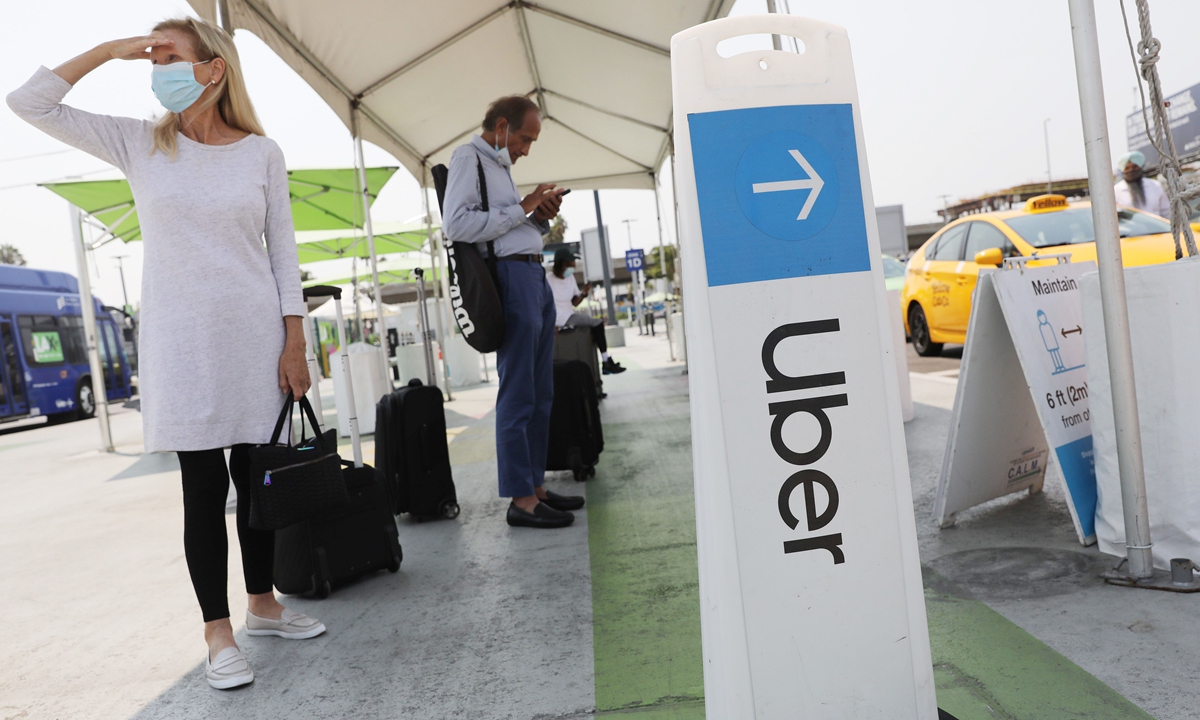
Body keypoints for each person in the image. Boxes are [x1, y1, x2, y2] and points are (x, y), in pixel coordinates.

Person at [8, 18, 324, 690]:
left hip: (256, 339)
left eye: (168, 55)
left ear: (214, 69)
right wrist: (109, 50)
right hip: (181, 345)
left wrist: (295, 343)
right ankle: (217, 634)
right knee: (203, 489)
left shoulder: (260, 152)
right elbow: (28, 103)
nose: (156, 67)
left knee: (258, 477)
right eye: (150, 58)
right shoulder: (138, 143)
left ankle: (264, 604)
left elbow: (285, 256)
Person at [442, 97, 585, 529]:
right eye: (525, 138)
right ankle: (520, 499)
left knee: (541, 391)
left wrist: (539, 215)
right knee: (519, 391)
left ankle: (534, 486)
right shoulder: (468, 158)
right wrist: (523, 206)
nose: (526, 149)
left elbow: (505, 225)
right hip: (509, 278)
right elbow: (457, 225)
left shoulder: (499, 168)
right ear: (502, 126)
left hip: (531, 274)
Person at [546, 248, 625, 374]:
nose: (573, 267)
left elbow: (574, 303)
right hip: (557, 318)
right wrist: (550, 323)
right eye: (570, 265)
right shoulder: (548, 279)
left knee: (596, 324)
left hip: (568, 315)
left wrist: (583, 293)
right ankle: (606, 361)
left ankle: (605, 362)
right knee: (597, 323)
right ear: (561, 264)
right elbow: (543, 303)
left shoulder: (570, 278)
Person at [1113, 150, 1170, 217]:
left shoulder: (1155, 186)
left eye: (1134, 167)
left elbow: (1167, 213)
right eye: (1127, 168)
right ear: (1123, 170)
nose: (1131, 170)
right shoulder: (1115, 191)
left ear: (1140, 167)